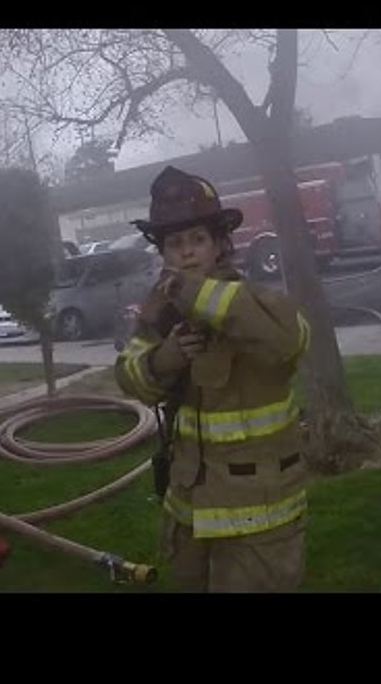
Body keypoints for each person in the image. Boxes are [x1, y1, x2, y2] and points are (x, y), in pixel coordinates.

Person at [114, 165, 311, 593]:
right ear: (163, 252)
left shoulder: (254, 304)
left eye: (197, 240)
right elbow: (128, 378)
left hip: (259, 513)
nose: (186, 253)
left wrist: (186, 292)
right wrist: (164, 360)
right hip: (189, 509)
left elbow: (286, 340)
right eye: (174, 243)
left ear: (221, 245)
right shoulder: (161, 313)